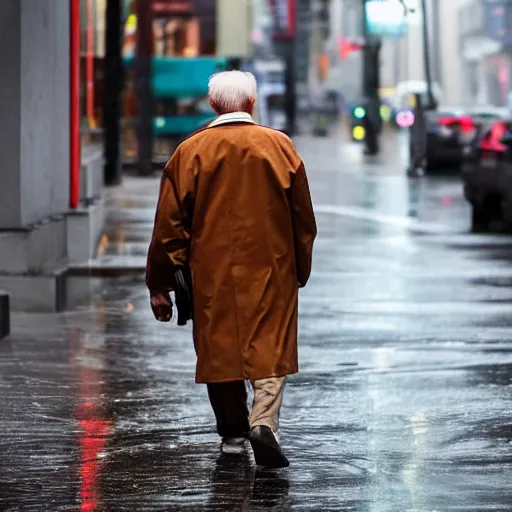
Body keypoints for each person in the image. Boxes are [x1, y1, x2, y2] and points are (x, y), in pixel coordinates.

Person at [146, 70, 317, 469]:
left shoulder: (189, 152)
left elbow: (169, 226)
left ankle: (234, 432)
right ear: (252, 103)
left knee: (220, 346)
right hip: (272, 268)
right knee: (270, 346)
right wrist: (299, 268)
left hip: (211, 270)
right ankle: (264, 422)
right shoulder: (280, 147)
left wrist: (160, 282)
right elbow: (303, 219)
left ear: (212, 104)